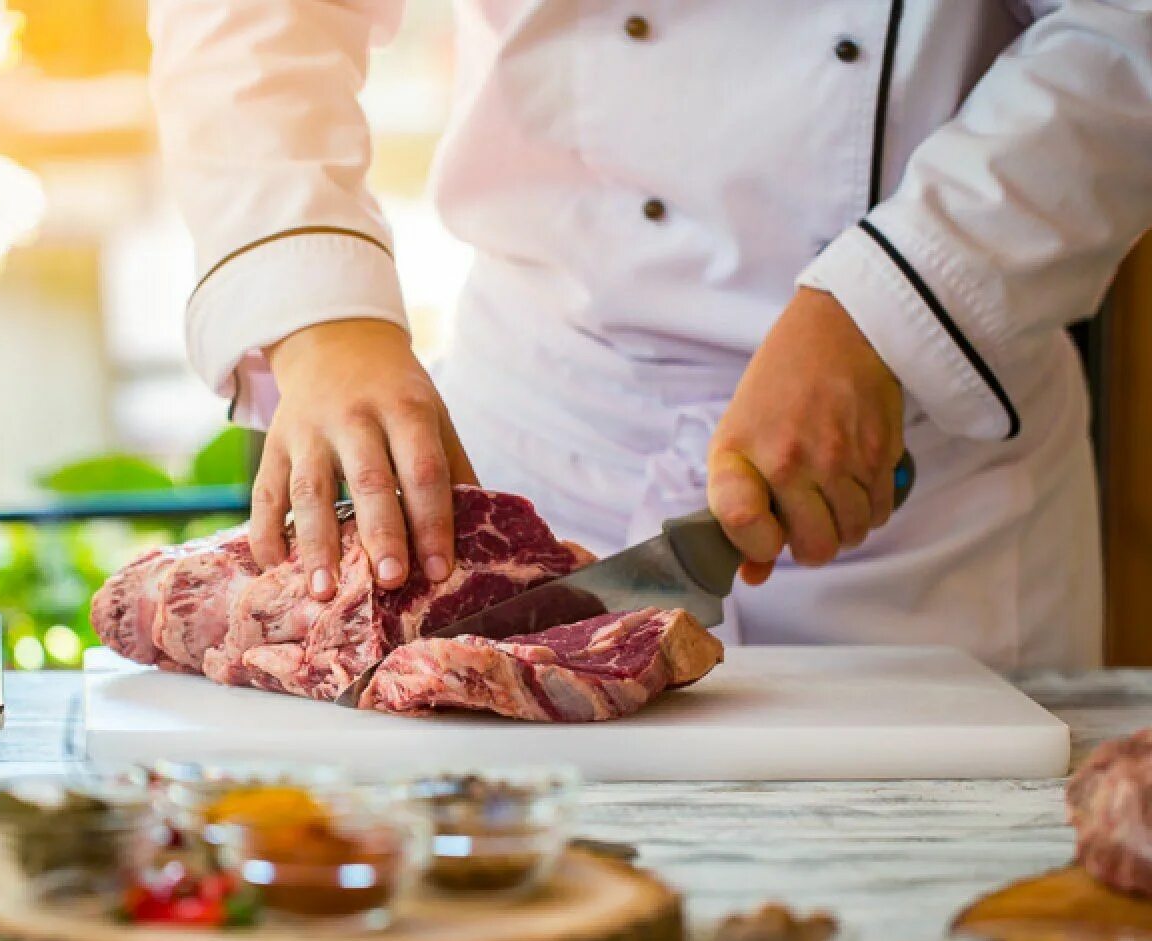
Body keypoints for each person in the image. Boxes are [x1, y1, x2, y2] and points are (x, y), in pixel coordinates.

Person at [148, 1, 1152, 672]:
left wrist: (896, 303)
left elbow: (1123, 31)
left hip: (924, 513)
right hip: (537, 448)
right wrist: (320, 309)